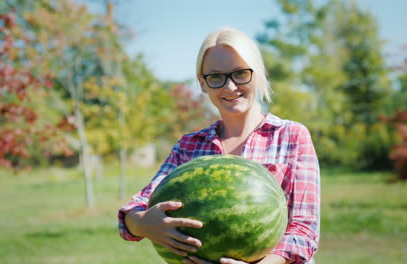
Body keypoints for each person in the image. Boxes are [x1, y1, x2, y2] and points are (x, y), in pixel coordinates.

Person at [118, 27, 320, 264]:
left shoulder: (292, 136)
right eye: (216, 77)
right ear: (203, 84)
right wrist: (144, 224)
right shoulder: (189, 146)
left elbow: (304, 232)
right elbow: (134, 210)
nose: (230, 87)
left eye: (240, 73)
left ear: (260, 73)